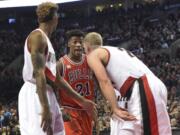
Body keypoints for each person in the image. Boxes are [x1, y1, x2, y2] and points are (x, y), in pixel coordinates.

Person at [18, 2, 96, 135]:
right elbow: (38, 73)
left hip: (46, 92)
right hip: (35, 92)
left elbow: (57, 79)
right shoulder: (38, 37)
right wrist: (45, 107)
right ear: (55, 18)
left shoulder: (46, 40)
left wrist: (82, 101)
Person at [83, 32, 172, 135]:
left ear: (87, 48)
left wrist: (115, 108)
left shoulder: (93, 55)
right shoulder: (114, 50)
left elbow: (104, 81)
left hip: (143, 87)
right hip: (149, 87)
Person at [57, 29, 95, 135]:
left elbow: (99, 81)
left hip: (87, 109)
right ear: (69, 44)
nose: (78, 45)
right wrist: (59, 108)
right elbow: (53, 88)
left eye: (80, 42)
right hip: (70, 110)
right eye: (75, 42)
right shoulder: (61, 64)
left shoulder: (90, 60)